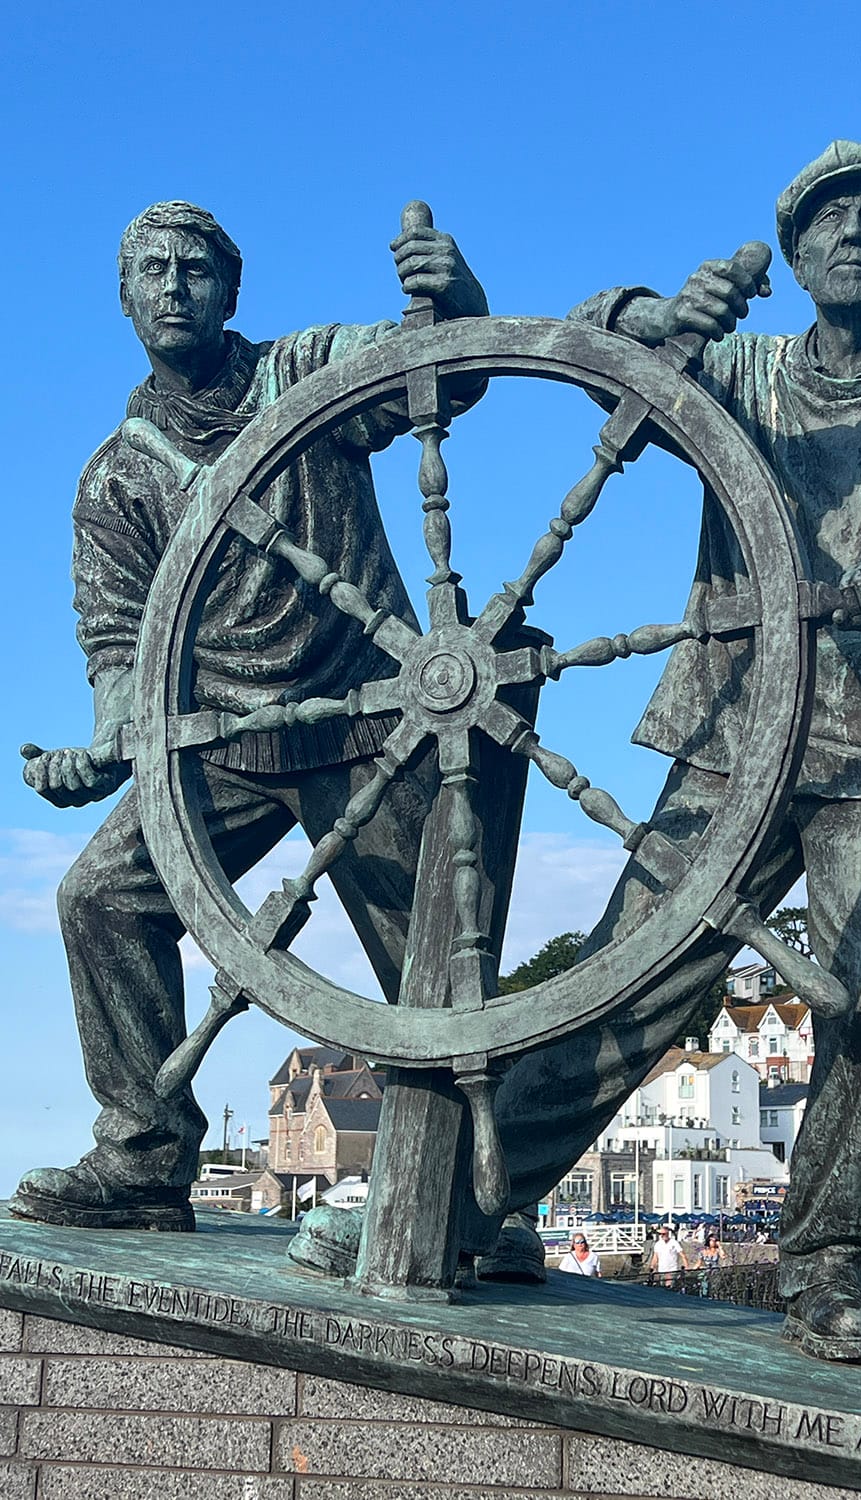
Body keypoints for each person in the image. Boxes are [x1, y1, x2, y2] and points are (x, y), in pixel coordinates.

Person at [556, 140, 861, 1367]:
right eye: (828, 221)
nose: (853, 236)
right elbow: (589, 350)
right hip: (735, 727)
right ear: (792, 253)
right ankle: (489, 1198)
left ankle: (831, 1268)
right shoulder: (740, 374)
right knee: (628, 973)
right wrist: (656, 316)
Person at [14, 200, 489, 1232]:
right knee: (98, 896)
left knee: (442, 966)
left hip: (371, 724)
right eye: (153, 269)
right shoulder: (118, 476)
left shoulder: (305, 371)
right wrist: (108, 745)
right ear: (127, 296)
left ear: (231, 293)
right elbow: (118, 642)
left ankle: (486, 1201)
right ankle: (142, 1159)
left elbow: (443, 366)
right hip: (224, 747)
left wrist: (456, 293)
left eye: (195, 269)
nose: (175, 286)